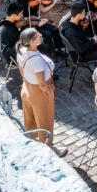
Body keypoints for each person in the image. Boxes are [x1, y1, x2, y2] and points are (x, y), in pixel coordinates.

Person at [16, 28, 66, 156]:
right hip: (39, 92)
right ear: (32, 42)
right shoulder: (36, 60)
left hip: (27, 88)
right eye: (38, 36)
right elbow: (42, 83)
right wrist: (49, 90)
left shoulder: (21, 51)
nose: (41, 36)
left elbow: (22, 71)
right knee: (45, 120)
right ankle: (48, 148)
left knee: (30, 117)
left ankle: (32, 142)